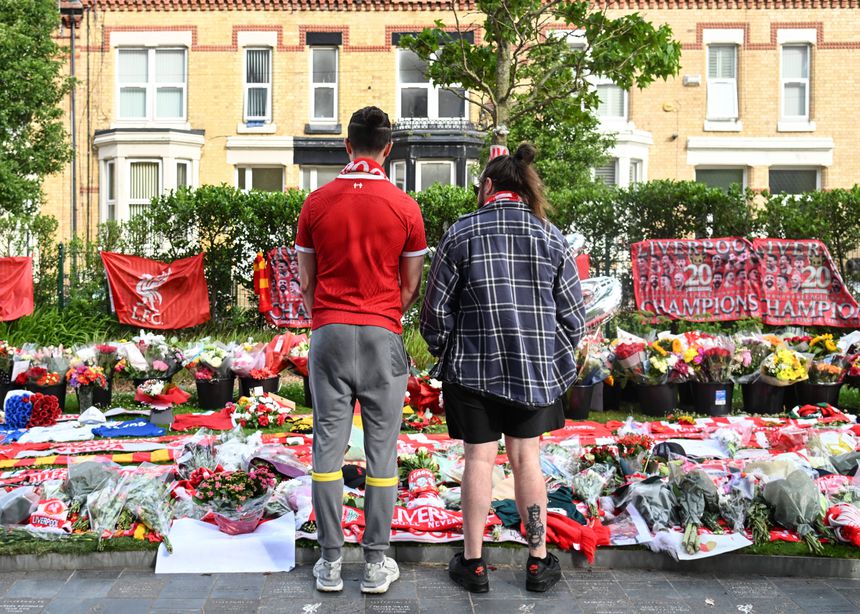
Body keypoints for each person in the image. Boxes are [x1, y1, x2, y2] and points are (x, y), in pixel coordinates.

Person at [420, 143, 585, 594]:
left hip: (471, 373)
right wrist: (556, 365)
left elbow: (435, 313)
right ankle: (537, 562)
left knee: (478, 459)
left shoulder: (460, 234)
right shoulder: (551, 237)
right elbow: (574, 316)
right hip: (534, 373)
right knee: (526, 459)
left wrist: (446, 352)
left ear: (489, 186)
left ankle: (473, 565)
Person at [295, 106, 427, 594]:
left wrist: (327, 316)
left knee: (327, 449)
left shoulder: (316, 203)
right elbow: (410, 286)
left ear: (346, 146)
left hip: (329, 332)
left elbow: (306, 282)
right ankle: (375, 561)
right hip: (381, 334)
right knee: (381, 451)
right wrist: (383, 314)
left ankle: (330, 561)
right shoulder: (404, 207)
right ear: (388, 149)